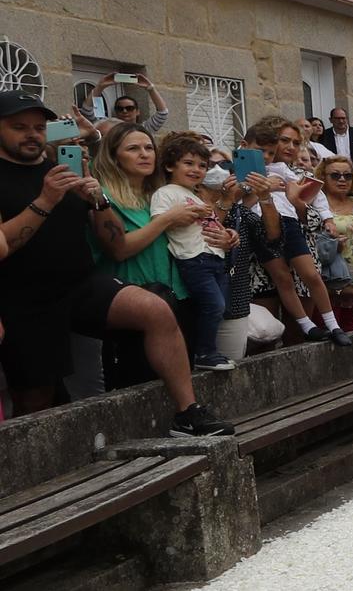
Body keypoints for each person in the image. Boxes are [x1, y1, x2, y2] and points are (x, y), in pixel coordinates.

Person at [0, 92, 232, 434]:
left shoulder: (62, 168)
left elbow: (112, 239)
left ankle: (188, 411)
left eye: (39, 127)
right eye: (19, 127)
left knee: (154, 309)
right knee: (36, 396)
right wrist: (46, 200)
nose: (32, 134)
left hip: (80, 283)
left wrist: (98, 200)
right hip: (24, 296)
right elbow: (5, 243)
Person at [87, 121, 194, 389]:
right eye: (133, 148)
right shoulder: (102, 196)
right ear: (113, 156)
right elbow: (120, 249)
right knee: (138, 381)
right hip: (131, 301)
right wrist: (167, 220)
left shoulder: (158, 194)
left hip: (173, 294)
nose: (145, 154)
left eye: (149, 147)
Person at [240, 115, 350, 345]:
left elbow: (312, 208)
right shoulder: (245, 170)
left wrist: (302, 205)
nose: (290, 147)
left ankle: (331, 325)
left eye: (296, 143)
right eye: (284, 141)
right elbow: (238, 207)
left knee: (310, 276)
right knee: (278, 290)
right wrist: (260, 191)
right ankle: (307, 325)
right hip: (259, 245)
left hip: (289, 226)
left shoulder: (291, 171)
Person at [151, 131, 237, 372]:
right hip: (193, 260)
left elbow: (213, 224)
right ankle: (205, 353)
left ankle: (209, 351)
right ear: (169, 166)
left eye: (202, 165)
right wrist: (185, 216)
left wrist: (229, 234)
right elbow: (161, 221)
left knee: (217, 308)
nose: (196, 170)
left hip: (215, 258)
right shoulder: (165, 193)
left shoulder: (196, 195)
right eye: (188, 164)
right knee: (213, 306)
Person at [317, 155, 353, 333]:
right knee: (329, 330)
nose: (342, 179)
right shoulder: (317, 205)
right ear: (322, 178)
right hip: (330, 277)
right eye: (335, 175)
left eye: (347, 176)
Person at [318, 107, 353, 192]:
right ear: (331, 120)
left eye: (343, 118)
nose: (341, 121)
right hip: (333, 181)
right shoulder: (324, 136)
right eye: (337, 118)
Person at [102, 74, 170, 134]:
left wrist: (150, 88)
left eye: (129, 108)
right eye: (120, 109)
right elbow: (92, 114)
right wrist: (100, 86)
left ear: (137, 112)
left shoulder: (144, 129)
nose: (124, 111)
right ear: (116, 112)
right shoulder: (110, 131)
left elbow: (162, 113)